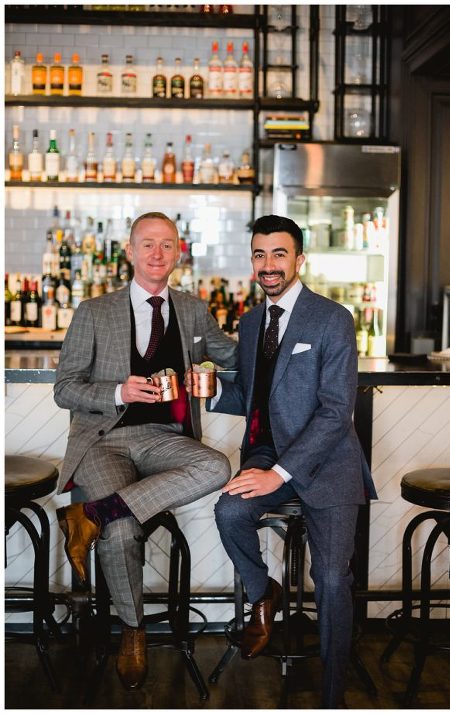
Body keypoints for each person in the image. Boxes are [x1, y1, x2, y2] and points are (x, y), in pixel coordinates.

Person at [54, 211, 237, 691]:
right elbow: (65, 388)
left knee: (216, 465)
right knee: (120, 532)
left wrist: (275, 325)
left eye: (167, 244)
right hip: (104, 439)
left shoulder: (193, 309)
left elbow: (236, 356)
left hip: (165, 438)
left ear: (178, 253)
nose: (158, 253)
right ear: (130, 251)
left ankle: (90, 514)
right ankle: (133, 632)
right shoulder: (94, 311)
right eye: (148, 244)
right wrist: (119, 392)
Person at [199, 214, 377, 709]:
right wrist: (211, 391)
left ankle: (333, 695)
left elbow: (336, 412)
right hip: (266, 454)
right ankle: (265, 592)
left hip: (328, 465)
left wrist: (277, 474)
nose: (269, 264)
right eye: (260, 254)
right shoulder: (251, 321)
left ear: (299, 259)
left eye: (279, 254)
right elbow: (254, 395)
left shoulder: (333, 318)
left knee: (332, 579)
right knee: (229, 511)